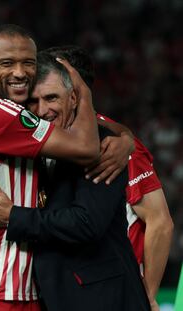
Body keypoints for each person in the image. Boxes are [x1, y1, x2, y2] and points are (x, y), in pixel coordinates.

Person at [0, 52, 151, 310]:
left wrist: (13, 216)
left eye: (51, 98)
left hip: (104, 299)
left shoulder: (102, 146)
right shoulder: (30, 146)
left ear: (73, 98)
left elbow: (86, 223)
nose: (42, 111)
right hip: (54, 297)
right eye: (32, 101)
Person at [0, 24, 100, 311]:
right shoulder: (0, 115)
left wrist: (125, 138)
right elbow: (88, 149)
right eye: (7, 63)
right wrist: (83, 91)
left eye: (28, 63)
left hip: (14, 289)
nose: (19, 72)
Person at [45, 45, 173, 310]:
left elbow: (160, 223)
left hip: (115, 290)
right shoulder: (54, 137)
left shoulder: (113, 146)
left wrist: (147, 295)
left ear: (74, 91)